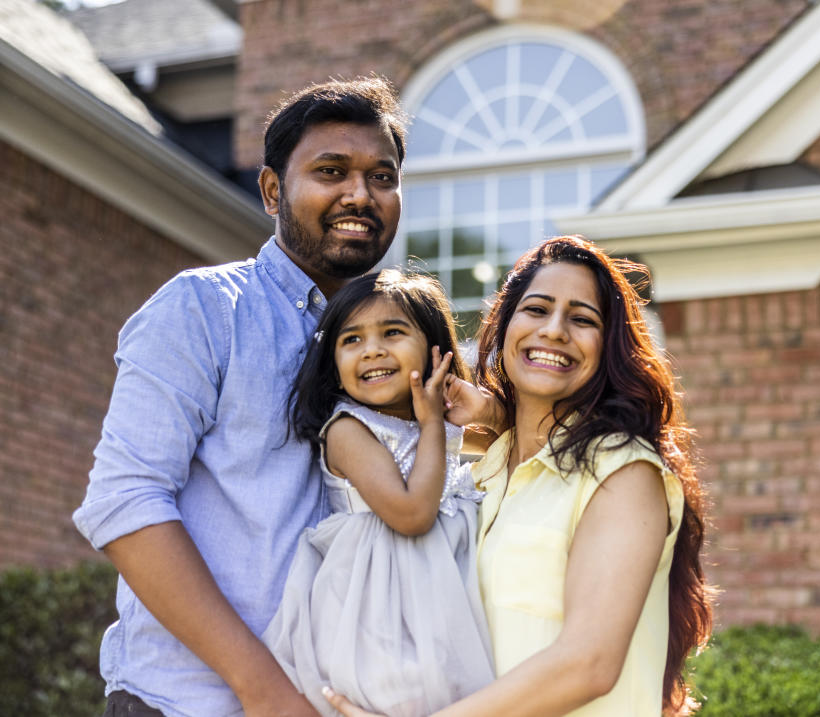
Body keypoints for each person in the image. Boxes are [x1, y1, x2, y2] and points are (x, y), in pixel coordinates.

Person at [73, 76, 408, 717]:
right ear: (272, 190)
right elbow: (124, 501)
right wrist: (269, 695)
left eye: (382, 177)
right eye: (331, 171)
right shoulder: (202, 310)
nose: (359, 194)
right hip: (189, 704)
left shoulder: (394, 345)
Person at [325, 235, 714, 717]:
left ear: (607, 347)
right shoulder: (483, 474)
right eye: (536, 309)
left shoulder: (622, 470)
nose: (554, 330)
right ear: (503, 327)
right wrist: (491, 414)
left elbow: (588, 663)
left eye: (582, 319)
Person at [262, 269, 495, 716]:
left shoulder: (435, 420)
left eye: (392, 332)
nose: (372, 350)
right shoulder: (348, 429)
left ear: (435, 350)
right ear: (332, 360)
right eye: (351, 340)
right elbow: (411, 514)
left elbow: (519, 438)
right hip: (380, 601)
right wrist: (433, 424)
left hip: (443, 590)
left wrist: (481, 408)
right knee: (402, 696)